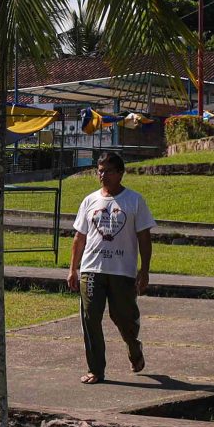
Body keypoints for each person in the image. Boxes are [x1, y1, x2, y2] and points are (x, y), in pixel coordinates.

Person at [65, 151, 153, 384]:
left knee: (123, 317)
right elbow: (79, 237)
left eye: (107, 171)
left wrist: (144, 270)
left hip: (122, 271)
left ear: (120, 173)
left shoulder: (134, 201)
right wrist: (73, 269)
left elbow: (144, 237)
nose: (102, 175)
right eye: (99, 170)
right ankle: (96, 369)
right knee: (90, 317)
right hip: (92, 269)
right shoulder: (89, 200)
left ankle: (134, 348)